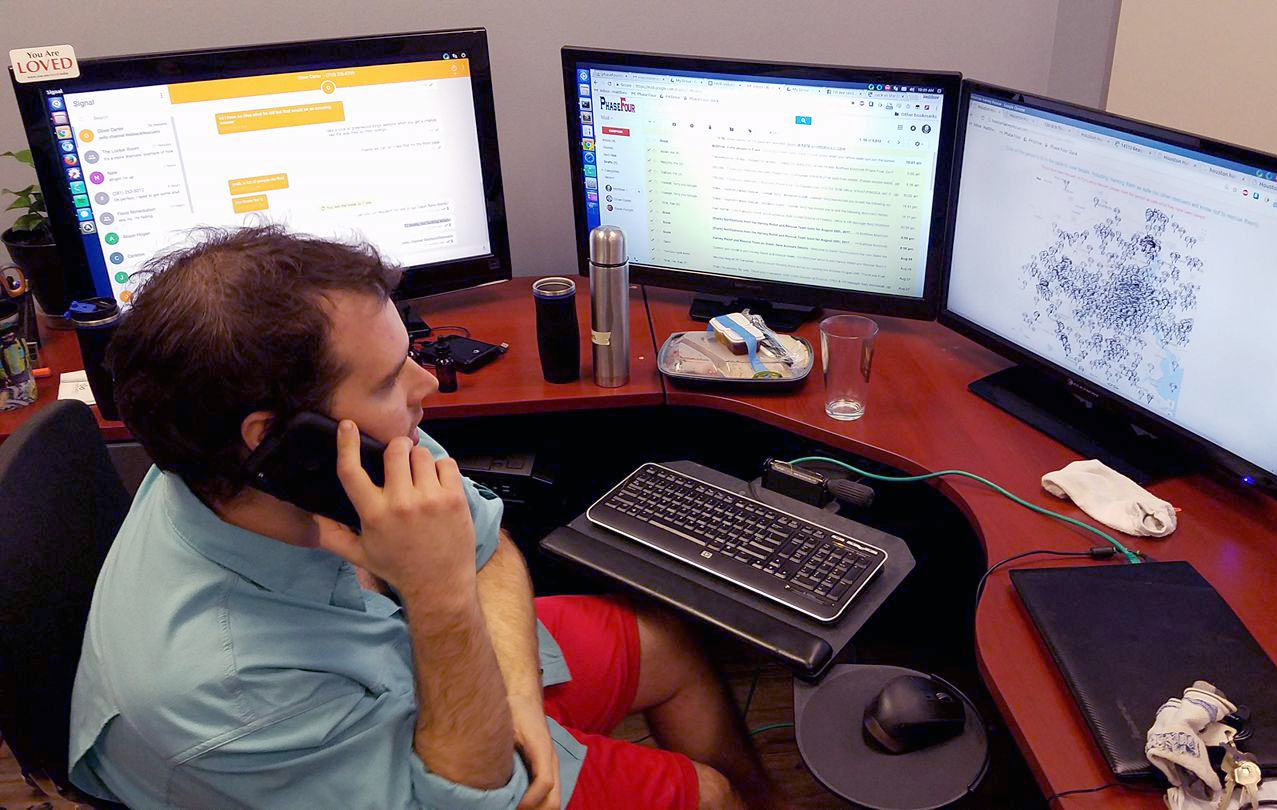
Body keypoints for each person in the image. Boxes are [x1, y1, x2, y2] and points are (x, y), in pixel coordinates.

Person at [68, 226, 783, 809]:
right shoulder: (220, 690)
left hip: (409, 675)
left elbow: (486, 543)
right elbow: (469, 799)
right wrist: (440, 597)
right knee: (708, 796)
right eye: (386, 380)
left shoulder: (304, 460)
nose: (425, 386)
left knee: (664, 640)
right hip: (349, 775)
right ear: (273, 436)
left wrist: (516, 693)